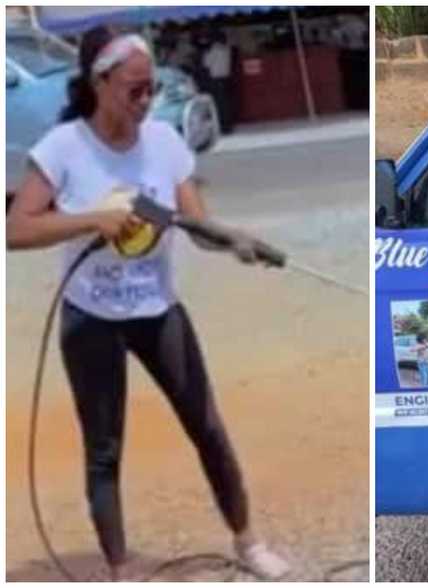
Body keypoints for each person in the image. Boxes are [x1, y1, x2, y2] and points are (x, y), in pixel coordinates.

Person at [5, 28, 289, 581]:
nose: (145, 101)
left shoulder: (162, 142)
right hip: (91, 318)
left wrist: (232, 239)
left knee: (207, 426)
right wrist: (92, 219)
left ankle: (248, 542)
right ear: (100, 83)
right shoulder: (63, 148)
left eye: (151, 89)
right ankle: (119, 566)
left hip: (158, 310)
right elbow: (16, 228)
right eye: (134, 90)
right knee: (104, 450)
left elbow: (194, 221)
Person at [202, 32, 234, 133]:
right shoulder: (227, 49)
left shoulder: (213, 50)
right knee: (227, 103)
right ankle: (228, 126)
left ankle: (223, 127)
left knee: (219, 105)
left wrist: (206, 52)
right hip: (226, 79)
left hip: (216, 80)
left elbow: (206, 64)